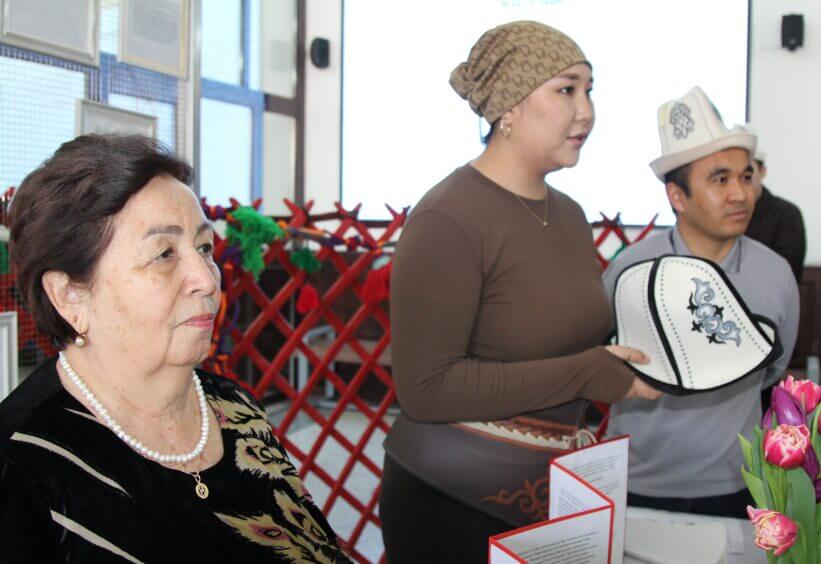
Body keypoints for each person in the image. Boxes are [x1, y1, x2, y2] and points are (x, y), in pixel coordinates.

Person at [381, 21, 660, 563]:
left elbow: (563, 336)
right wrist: (588, 372)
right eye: (566, 89)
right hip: (451, 501)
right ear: (508, 105)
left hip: (553, 489)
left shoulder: (571, 215)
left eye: (590, 90)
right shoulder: (447, 217)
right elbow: (426, 389)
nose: (586, 111)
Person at [0, 134, 351, 562]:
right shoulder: (22, 465)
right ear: (69, 294)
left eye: (204, 247)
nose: (206, 278)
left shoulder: (234, 407)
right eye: (164, 254)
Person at [603, 87, 799, 518]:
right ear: (677, 196)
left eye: (746, 177)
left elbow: (773, 371)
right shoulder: (629, 272)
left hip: (737, 485)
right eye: (720, 179)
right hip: (635, 482)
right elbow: (602, 365)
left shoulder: (776, 275)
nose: (740, 194)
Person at [745, 150, 806, 282]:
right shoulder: (720, 213)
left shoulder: (787, 214)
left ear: (762, 171)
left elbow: (789, 273)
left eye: (746, 175)